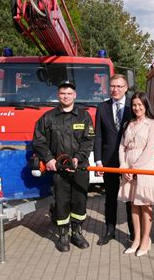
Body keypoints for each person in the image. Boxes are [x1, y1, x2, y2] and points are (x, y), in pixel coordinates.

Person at [33, 81, 94, 252]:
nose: (66, 96)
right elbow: (38, 141)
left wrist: (78, 158)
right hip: (58, 170)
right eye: (62, 93)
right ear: (58, 96)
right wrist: (49, 159)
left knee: (80, 201)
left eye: (69, 93)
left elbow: (89, 141)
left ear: (74, 95)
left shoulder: (84, 116)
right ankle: (63, 235)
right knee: (62, 202)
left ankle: (77, 233)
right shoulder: (48, 117)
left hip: (79, 168)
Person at [118, 92, 154, 257]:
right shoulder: (129, 124)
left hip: (144, 168)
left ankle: (145, 240)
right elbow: (122, 146)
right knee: (133, 204)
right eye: (134, 105)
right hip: (128, 168)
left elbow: (150, 149)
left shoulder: (152, 124)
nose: (137, 108)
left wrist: (134, 168)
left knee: (145, 204)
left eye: (140, 105)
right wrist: (123, 166)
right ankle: (136, 239)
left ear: (145, 105)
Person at [94, 74, 134, 245]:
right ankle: (110, 230)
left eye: (119, 86)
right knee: (110, 197)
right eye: (112, 86)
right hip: (109, 160)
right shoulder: (102, 107)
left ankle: (134, 232)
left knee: (130, 197)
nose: (115, 89)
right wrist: (98, 161)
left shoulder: (134, 105)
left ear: (126, 88)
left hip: (129, 160)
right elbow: (98, 136)